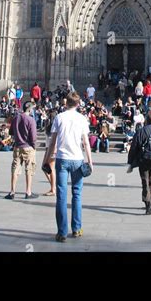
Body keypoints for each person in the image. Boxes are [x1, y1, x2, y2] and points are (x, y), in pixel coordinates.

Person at [44, 92, 93, 243]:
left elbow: (52, 142)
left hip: (62, 159)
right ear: (78, 104)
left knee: (61, 196)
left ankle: (62, 232)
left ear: (66, 103)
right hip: (78, 159)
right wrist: (90, 162)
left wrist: (46, 159)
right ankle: (77, 229)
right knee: (77, 195)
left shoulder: (59, 117)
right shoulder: (82, 118)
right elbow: (86, 142)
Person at [127, 107, 151, 215]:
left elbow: (134, 147)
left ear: (146, 120)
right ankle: (150, 200)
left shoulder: (140, 132)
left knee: (145, 181)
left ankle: (148, 203)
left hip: (143, 160)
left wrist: (130, 162)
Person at [5, 101, 38, 200]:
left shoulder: (16, 118)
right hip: (28, 147)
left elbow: (11, 132)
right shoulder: (31, 120)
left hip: (17, 146)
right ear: (30, 109)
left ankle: (12, 191)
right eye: (33, 108)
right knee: (29, 169)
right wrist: (34, 146)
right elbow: (33, 136)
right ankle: (28, 192)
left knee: (15, 168)